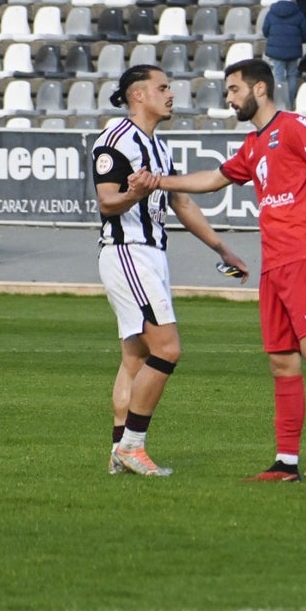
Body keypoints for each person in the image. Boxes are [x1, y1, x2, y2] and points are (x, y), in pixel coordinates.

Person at [129, 60, 306, 483]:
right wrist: (159, 182)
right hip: (273, 265)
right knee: (281, 364)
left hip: (305, 256)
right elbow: (213, 179)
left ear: (261, 90)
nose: (229, 98)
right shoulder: (254, 145)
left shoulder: (293, 125)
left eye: (234, 90)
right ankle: (286, 462)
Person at [92, 65, 250, 477]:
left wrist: (222, 248)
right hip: (128, 252)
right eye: (163, 87)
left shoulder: (158, 147)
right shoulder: (115, 141)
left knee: (135, 359)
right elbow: (107, 202)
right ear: (138, 95)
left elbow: (181, 204)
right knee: (168, 348)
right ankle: (132, 446)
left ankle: (117, 454)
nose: (170, 94)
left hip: (151, 254)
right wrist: (134, 192)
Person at [262, 0, 306, 110]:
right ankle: (290, 102)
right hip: (293, 51)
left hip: (276, 51)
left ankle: (278, 102)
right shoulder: (298, 13)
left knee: (278, 76)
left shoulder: (272, 12)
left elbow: (265, 30)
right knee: (292, 76)